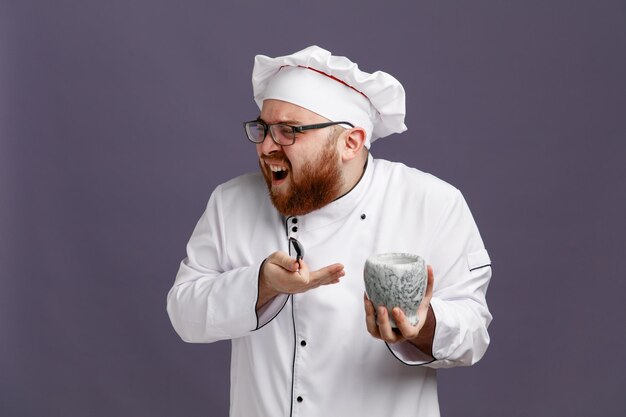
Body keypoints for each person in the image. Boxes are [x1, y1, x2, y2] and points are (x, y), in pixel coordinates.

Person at [167, 45, 492, 417]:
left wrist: (421, 326)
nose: (267, 147)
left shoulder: (432, 203)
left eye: (288, 131)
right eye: (263, 129)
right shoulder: (230, 203)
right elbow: (183, 313)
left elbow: (474, 335)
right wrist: (262, 285)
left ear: (350, 143)